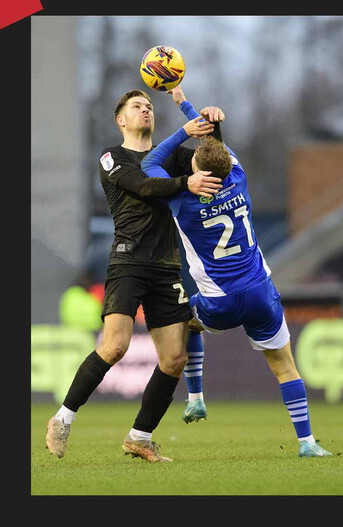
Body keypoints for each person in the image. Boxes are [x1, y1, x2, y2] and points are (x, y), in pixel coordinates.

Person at [140, 86, 334, 458]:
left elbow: (150, 164)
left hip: (219, 301)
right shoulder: (239, 178)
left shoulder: (181, 199)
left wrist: (185, 127)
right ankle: (307, 442)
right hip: (260, 292)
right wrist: (187, 106)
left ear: (195, 169)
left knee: (186, 320)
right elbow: (218, 149)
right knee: (285, 368)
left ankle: (196, 396)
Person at [45, 89, 222, 463]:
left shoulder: (173, 155)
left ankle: (140, 437)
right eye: (136, 107)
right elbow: (143, 185)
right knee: (114, 346)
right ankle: (62, 418)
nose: (145, 110)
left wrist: (213, 129)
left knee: (174, 360)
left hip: (167, 265)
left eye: (149, 106)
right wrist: (183, 184)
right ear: (120, 120)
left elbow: (214, 166)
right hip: (128, 262)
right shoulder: (112, 158)